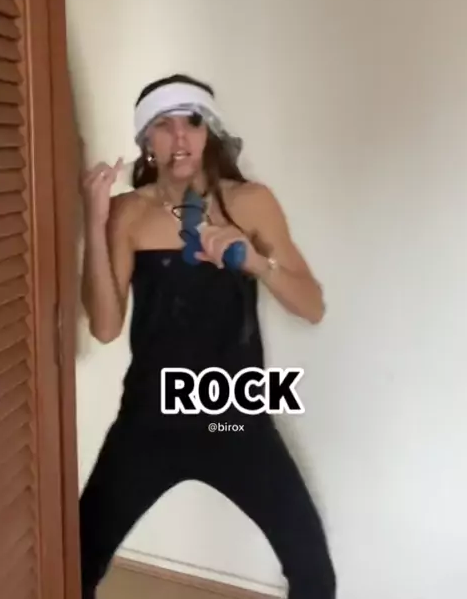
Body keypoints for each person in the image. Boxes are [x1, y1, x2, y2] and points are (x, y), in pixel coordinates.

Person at [79, 73, 337, 598]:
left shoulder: (252, 202)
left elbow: (312, 306)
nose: (180, 137)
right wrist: (95, 219)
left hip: (233, 416)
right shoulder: (127, 213)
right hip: (149, 420)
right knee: (73, 562)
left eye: (192, 123)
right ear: (146, 140)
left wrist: (256, 262)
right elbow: (105, 328)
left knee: (313, 573)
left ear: (209, 132)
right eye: (164, 125)